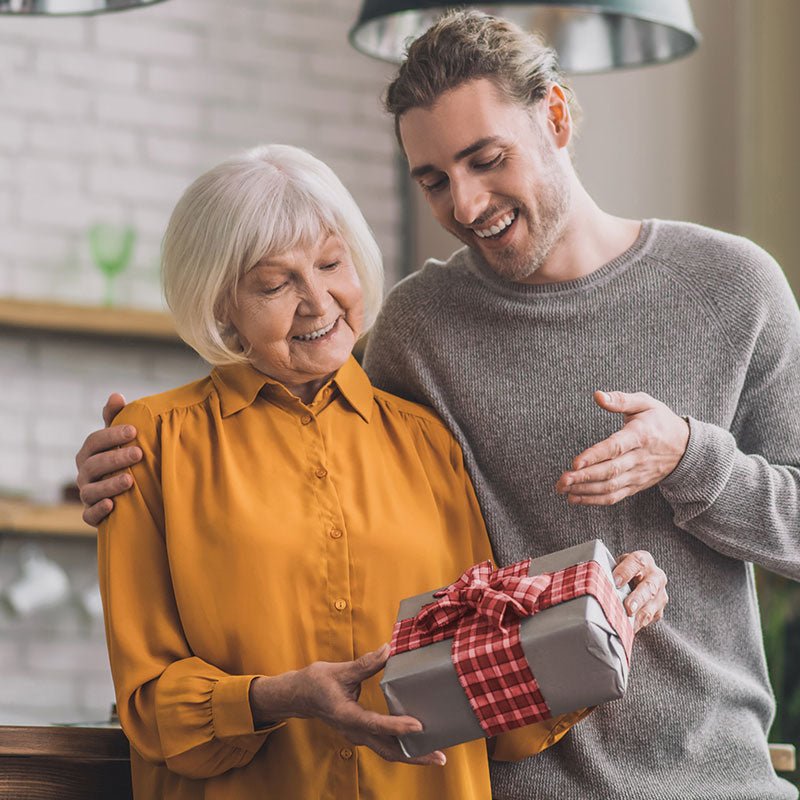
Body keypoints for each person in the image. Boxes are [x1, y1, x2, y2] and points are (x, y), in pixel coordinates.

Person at [75, 9, 789, 799]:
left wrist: (691, 457)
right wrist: (132, 460)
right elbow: (295, 432)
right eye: (434, 180)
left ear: (555, 116)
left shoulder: (733, 286)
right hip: (512, 779)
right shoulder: (416, 330)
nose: (467, 204)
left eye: (487, 159)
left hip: (715, 779)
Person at [89, 143, 665, 800]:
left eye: (331, 264)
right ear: (221, 305)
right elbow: (150, 709)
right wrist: (278, 697)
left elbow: (484, 686)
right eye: (276, 284)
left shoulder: (427, 441)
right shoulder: (151, 444)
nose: (318, 302)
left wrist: (600, 612)